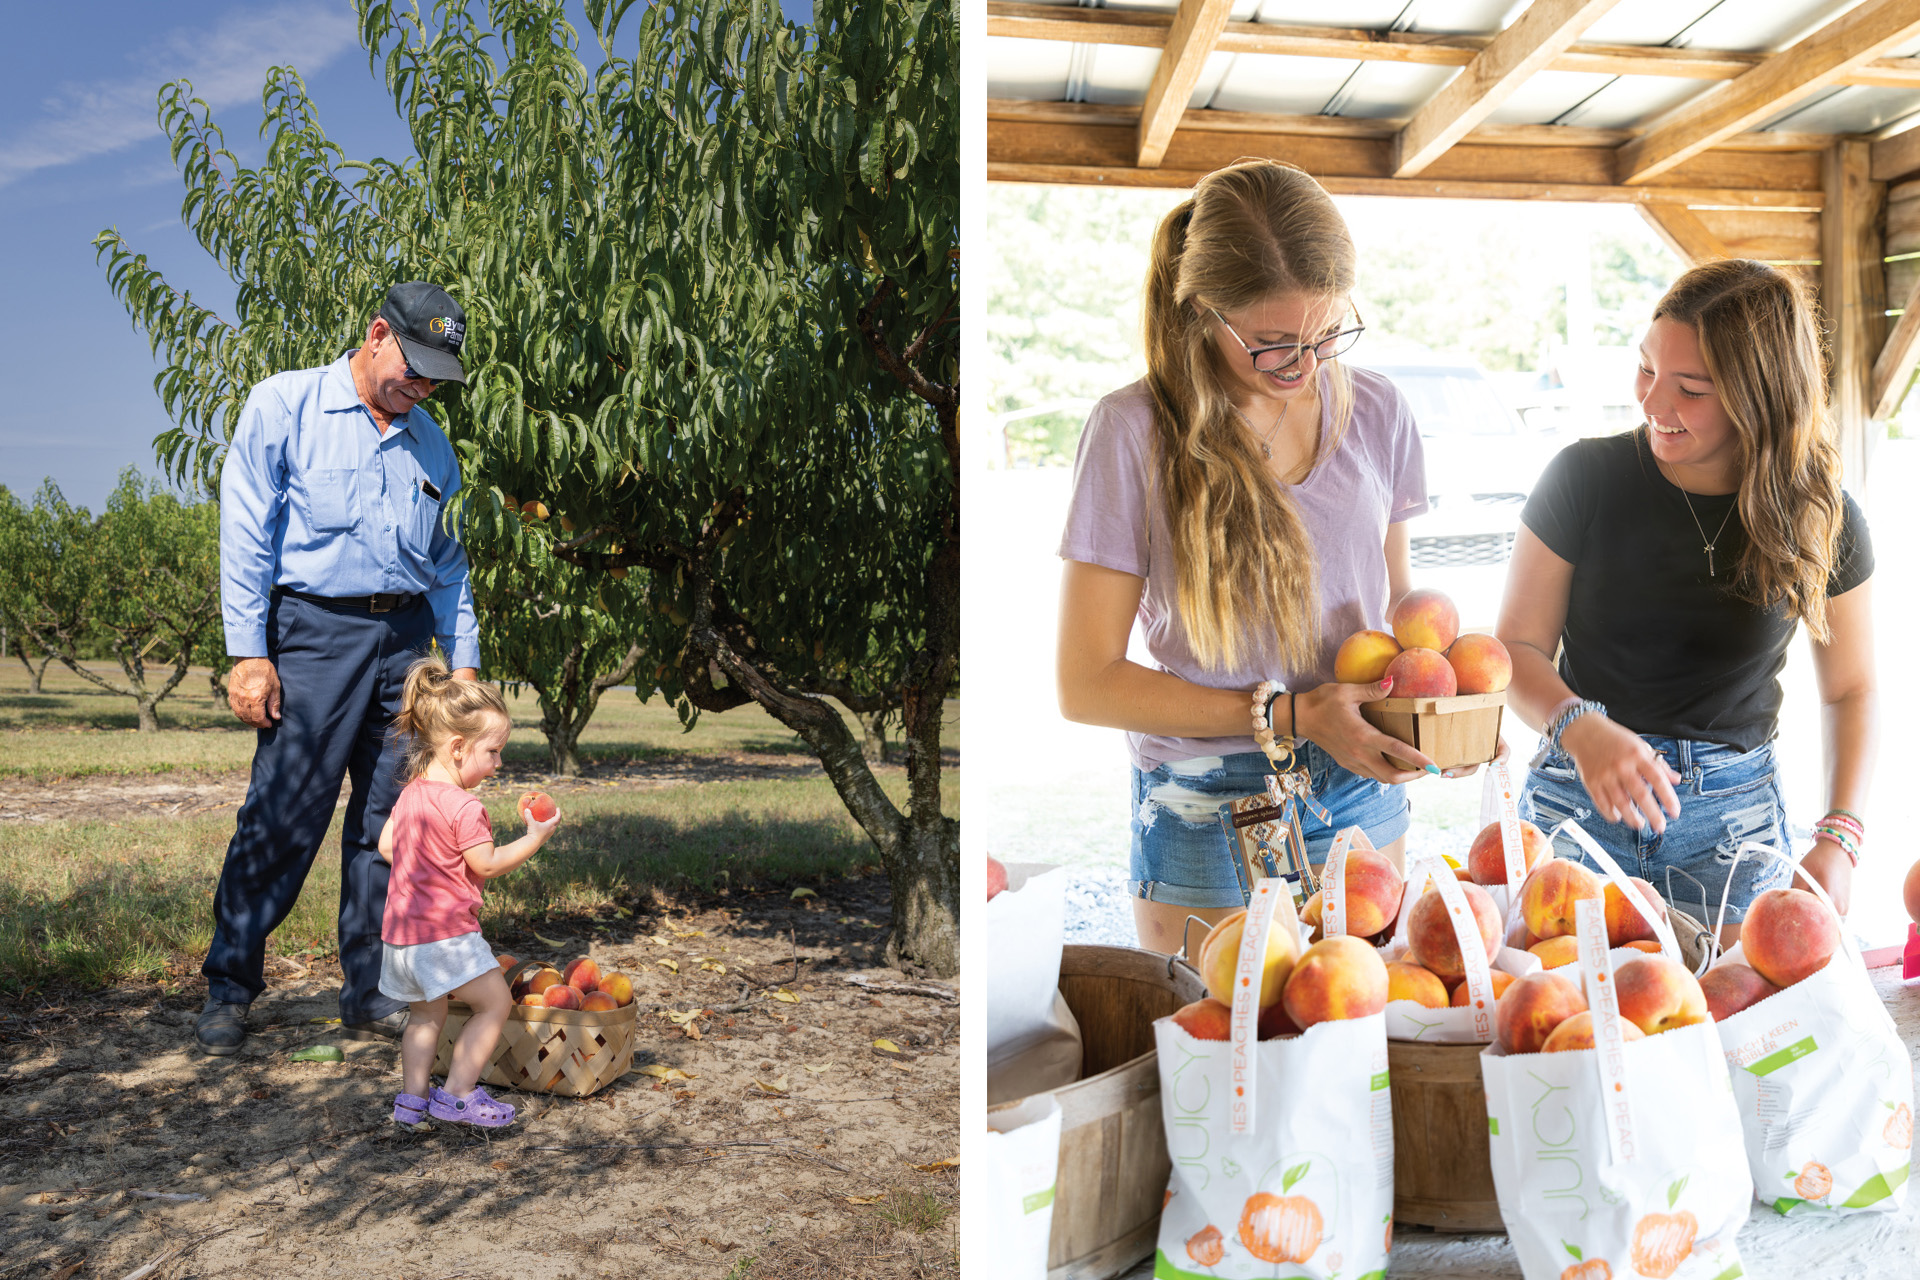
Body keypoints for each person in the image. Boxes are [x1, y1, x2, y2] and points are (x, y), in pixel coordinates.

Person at [1056, 160, 1450, 956]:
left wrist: (1439, 713)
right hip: (1209, 799)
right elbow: (1085, 683)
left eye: (1326, 333)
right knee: (1218, 1064)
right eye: (1272, 343)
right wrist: (1293, 715)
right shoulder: (1132, 432)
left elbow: (1397, 616)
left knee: (1358, 1050)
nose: (1305, 367)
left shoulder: (1377, 410)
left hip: (1359, 782)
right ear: (1204, 309)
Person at [1497, 258, 1873, 940]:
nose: (1651, 404)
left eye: (1690, 389)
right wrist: (1580, 727)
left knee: (1732, 1039)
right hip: (1573, 808)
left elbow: (1852, 689)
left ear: (1759, 397)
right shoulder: (1583, 477)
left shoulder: (1822, 514)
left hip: (1733, 830)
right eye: (1646, 369)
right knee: (1559, 1028)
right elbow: (1514, 650)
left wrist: (1841, 837)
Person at [196, 281, 482, 1055]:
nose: (419, 387)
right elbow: (247, 529)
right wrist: (249, 652)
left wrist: (464, 670)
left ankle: (372, 990)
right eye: (412, 366)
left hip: (406, 644)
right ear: (377, 333)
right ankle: (230, 986)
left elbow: (451, 567)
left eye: (434, 377)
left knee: (394, 825)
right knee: (284, 814)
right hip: (313, 633)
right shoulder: (285, 406)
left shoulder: (432, 444)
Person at [380, 655, 557, 1128]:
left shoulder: (413, 791)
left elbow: (385, 844)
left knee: (424, 1017)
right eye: (493, 752)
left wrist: (425, 868)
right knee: (495, 1002)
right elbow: (487, 863)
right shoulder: (464, 806)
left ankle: (411, 1104)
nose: (499, 763)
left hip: (401, 937)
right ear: (458, 747)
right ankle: (458, 1095)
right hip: (445, 936)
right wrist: (535, 837)